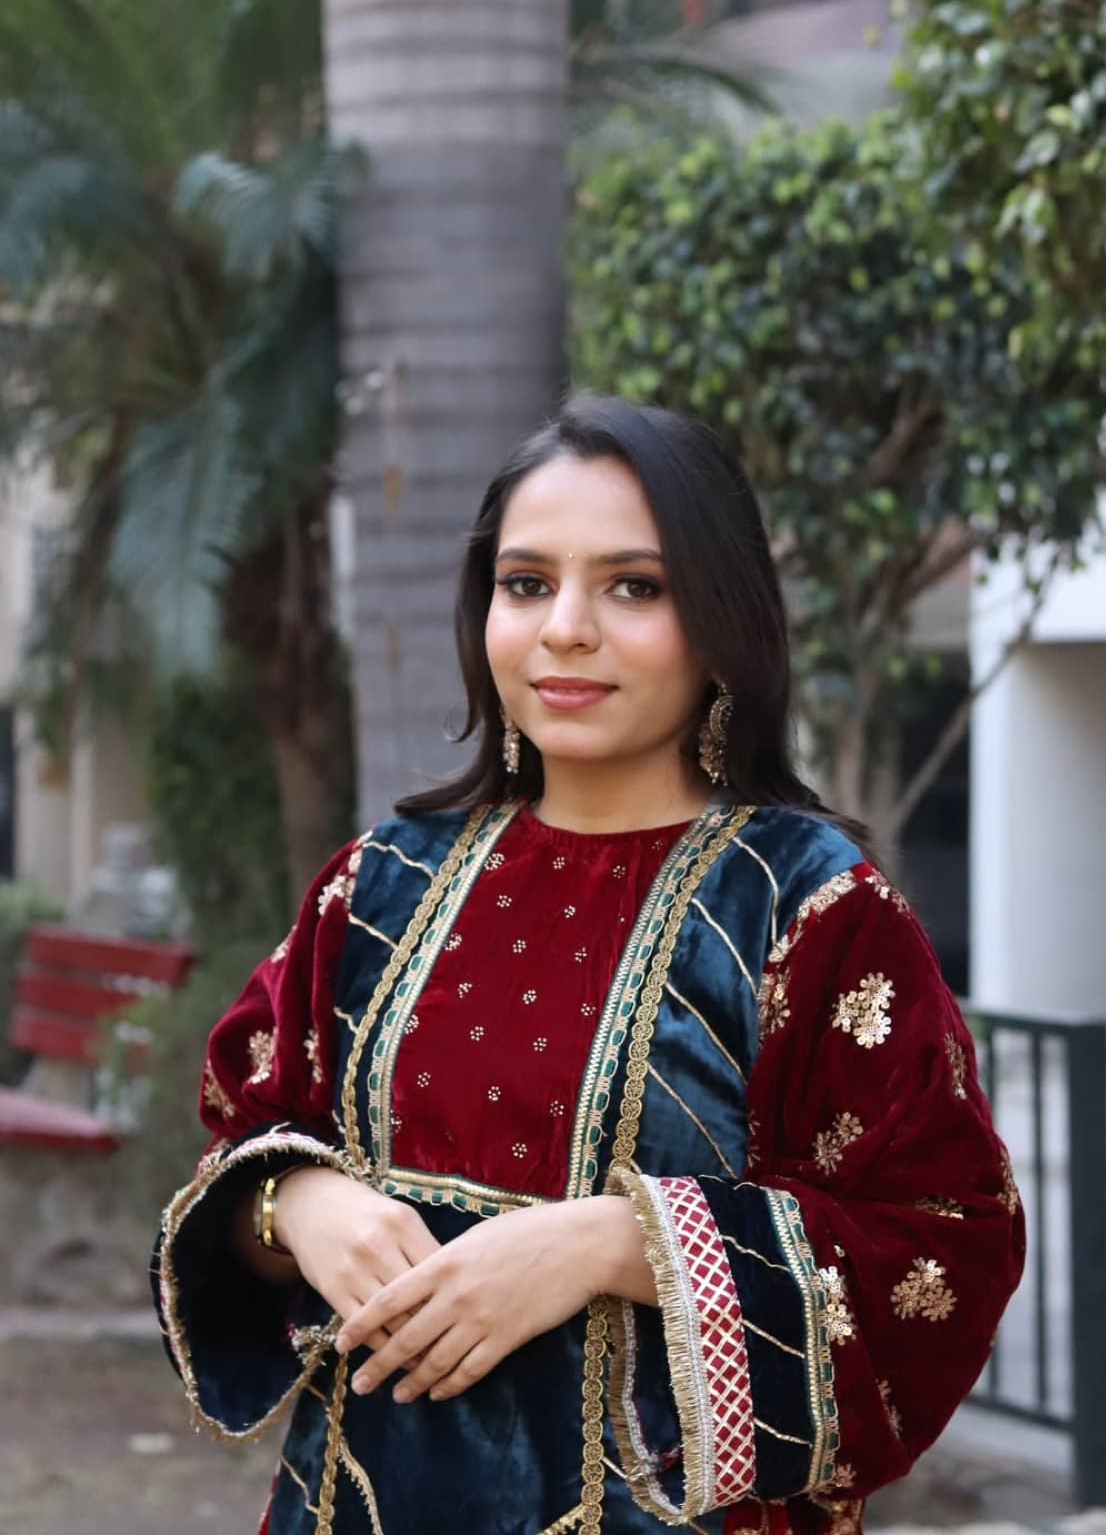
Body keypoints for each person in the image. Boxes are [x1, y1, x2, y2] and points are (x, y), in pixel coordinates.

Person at [152, 396, 1024, 1535]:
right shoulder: (379, 886)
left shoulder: (806, 908)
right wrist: (296, 1204)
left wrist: (619, 1244)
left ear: (721, 618)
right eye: (526, 583)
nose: (567, 627)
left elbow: (943, 1241)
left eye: (634, 586)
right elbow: (242, 1143)